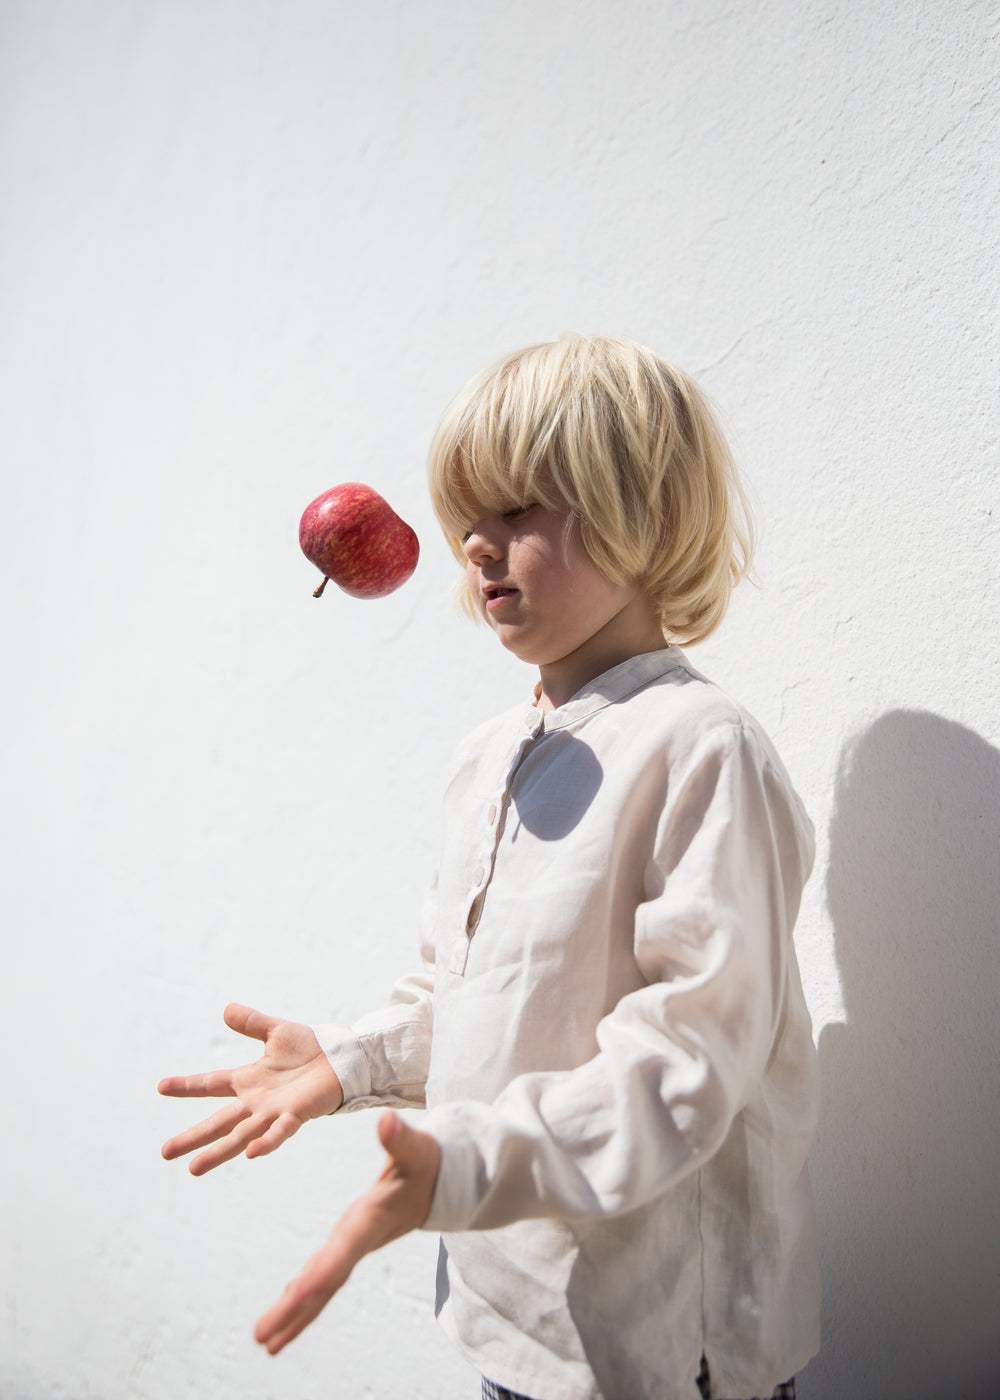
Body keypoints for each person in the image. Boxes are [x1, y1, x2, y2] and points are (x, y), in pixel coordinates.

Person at [160, 335, 820, 1400]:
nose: (477, 541)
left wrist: (462, 1163)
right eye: (466, 513)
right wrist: (348, 1060)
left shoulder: (701, 747)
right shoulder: (487, 755)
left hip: (656, 1347)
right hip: (512, 1324)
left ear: (639, 512)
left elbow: (684, 1066)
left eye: (520, 509)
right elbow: (475, 1000)